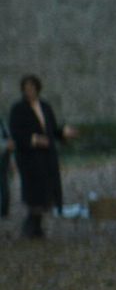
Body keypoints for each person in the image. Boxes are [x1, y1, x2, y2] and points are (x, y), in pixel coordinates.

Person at [9, 75, 77, 238]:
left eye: (32, 88)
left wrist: (63, 133)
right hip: (30, 157)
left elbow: (52, 130)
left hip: (47, 157)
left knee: (46, 190)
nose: (29, 91)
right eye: (26, 88)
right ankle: (30, 227)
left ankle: (36, 227)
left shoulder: (44, 107)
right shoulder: (19, 109)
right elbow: (17, 133)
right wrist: (34, 140)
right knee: (34, 192)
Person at [0, 112, 13, 219]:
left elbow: (9, 139)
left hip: (4, 157)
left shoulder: (2, 121)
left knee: (4, 183)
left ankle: (3, 211)